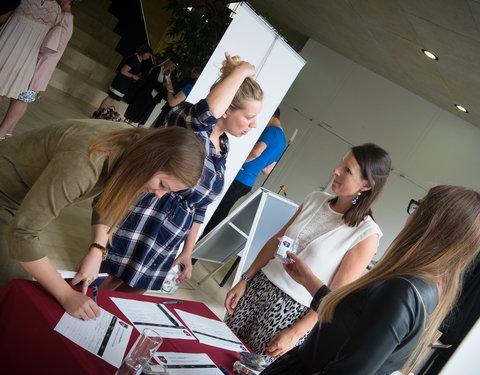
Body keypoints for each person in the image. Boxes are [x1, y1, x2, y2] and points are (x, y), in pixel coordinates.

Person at [261, 185, 480, 375]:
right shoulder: (428, 287)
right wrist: (310, 282)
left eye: (418, 207)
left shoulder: (403, 290)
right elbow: (354, 322)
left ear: (430, 225)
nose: (410, 216)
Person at [0, 120, 206, 320]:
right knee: (15, 289)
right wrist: (66, 295)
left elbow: (106, 197)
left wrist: (97, 249)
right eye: (162, 184)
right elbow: (23, 234)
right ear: (151, 158)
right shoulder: (85, 163)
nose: (159, 195)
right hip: (5, 195)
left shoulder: (132, 144)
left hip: (20, 200)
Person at [99, 52, 264, 293]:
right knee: (103, 285)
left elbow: (200, 206)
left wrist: (187, 251)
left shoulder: (223, 148)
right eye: (249, 117)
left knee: (130, 295)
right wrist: (242, 71)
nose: (254, 124)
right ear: (226, 110)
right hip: (143, 219)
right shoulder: (189, 125)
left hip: (168, 238)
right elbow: (206, 113)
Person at [225, 143, 391, 362]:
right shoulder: (315, 199)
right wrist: (245, 278)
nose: (336, 170)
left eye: (347, 170)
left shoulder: (366, 234)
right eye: (341, 163)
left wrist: (295, 333)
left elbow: (334, 296)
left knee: (254, 368)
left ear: (367, 185)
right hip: (258, 288)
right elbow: (276, 241)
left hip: (291, 313)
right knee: (220, 350)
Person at [202, 107, 286, 236]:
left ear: (271, 114)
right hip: (247, 184)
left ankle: (196, 244)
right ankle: (199, 249)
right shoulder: (283, 141)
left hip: (238, 177)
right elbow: (267, 170)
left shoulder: (271, 131)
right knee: (220, 213)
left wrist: (237, 164)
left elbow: (256, 152)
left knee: (211, 209)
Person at [0, 0, 74, 139]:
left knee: (21, 99)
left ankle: (4, 132)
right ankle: (7, 132)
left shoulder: (64, 15)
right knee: (18, 98)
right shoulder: (59, 12)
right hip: (32, 59)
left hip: (38, 63)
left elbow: (57, 43)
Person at [93, 45, 152, 118]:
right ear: (144, 52)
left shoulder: (138, 60)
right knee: (110, 98)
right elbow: (123, 71)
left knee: (111, 99)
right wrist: (133, 76)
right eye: (148, 55)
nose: (148, 57)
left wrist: (136, 74)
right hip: (121, 82)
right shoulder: (133, 59)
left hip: (124, 83)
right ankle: (98, 113)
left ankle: (99, 113)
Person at [123, 59, 177, 127]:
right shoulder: (157, 69)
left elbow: (164, 89)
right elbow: (150, 82)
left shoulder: (168, 75)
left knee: (145, 114)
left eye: (174, 67)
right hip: (146, 93)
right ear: (169, 64)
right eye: (173, 66)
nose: (173, 68)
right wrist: (163, 85)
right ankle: (127, 123)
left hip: (154, 98)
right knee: (136, 110)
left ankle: (139, 126)